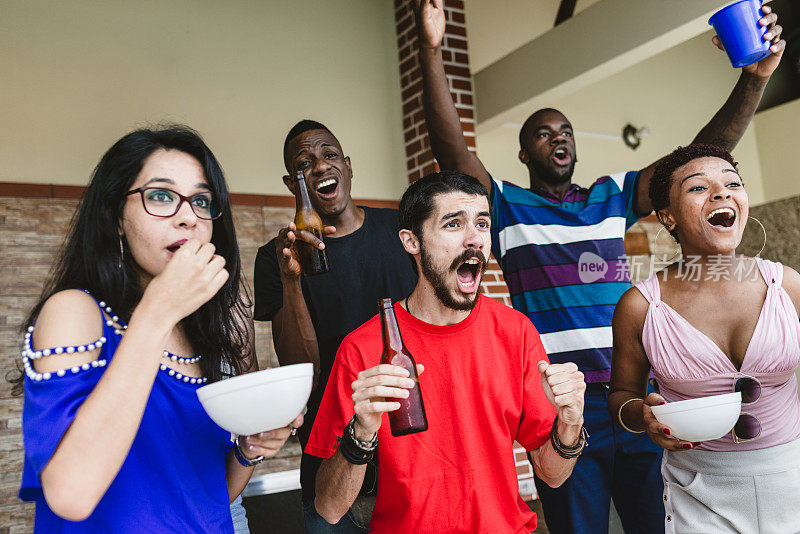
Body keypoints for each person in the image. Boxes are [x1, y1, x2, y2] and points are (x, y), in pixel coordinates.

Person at [413, 1, 786, 531]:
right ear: (523, 153)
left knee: (656, 524)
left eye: (564, 130)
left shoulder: (612, 195)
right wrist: (431, 50)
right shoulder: (505, 206)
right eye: (543, 133)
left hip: (636, 396)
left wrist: (752, 81)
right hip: (561, 405)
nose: (558, 137)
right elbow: (451, 150)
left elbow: (699, 161)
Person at [16, 126, 302, 533]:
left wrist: (249, 449)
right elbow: (70, 495)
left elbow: (209, 494)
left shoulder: (205, 333)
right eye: (161, 196)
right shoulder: (74, 312)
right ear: (116, 216)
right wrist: (156, 312)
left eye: (201, 201)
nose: (188, 216)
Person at [308, 171, 587, 533]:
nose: (474, 239)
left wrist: (571, 422)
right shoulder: (363, 349)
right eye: (453, 224)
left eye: (482, 224)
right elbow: (328, 507)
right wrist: (362, 430)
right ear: (412, 241)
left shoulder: (516, 332)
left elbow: (552, 475)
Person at [608, 143, 800, 533]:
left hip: (792, 476)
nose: (721, 193)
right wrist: (641, 416)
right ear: (668, 217)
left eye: (733, 183)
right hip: (699, 491)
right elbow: (621, 394)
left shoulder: (789, 286)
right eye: (698, 188)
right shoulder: (640, 306)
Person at [253, 120, 417, 532]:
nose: (321, 167)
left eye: (329, 155)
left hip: (413, 444)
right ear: (295, 184)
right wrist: (291, 279)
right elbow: (301, 369)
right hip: (331, 450)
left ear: (347, 165)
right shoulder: (276, 256)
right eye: (305, 164)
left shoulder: (402, 231)